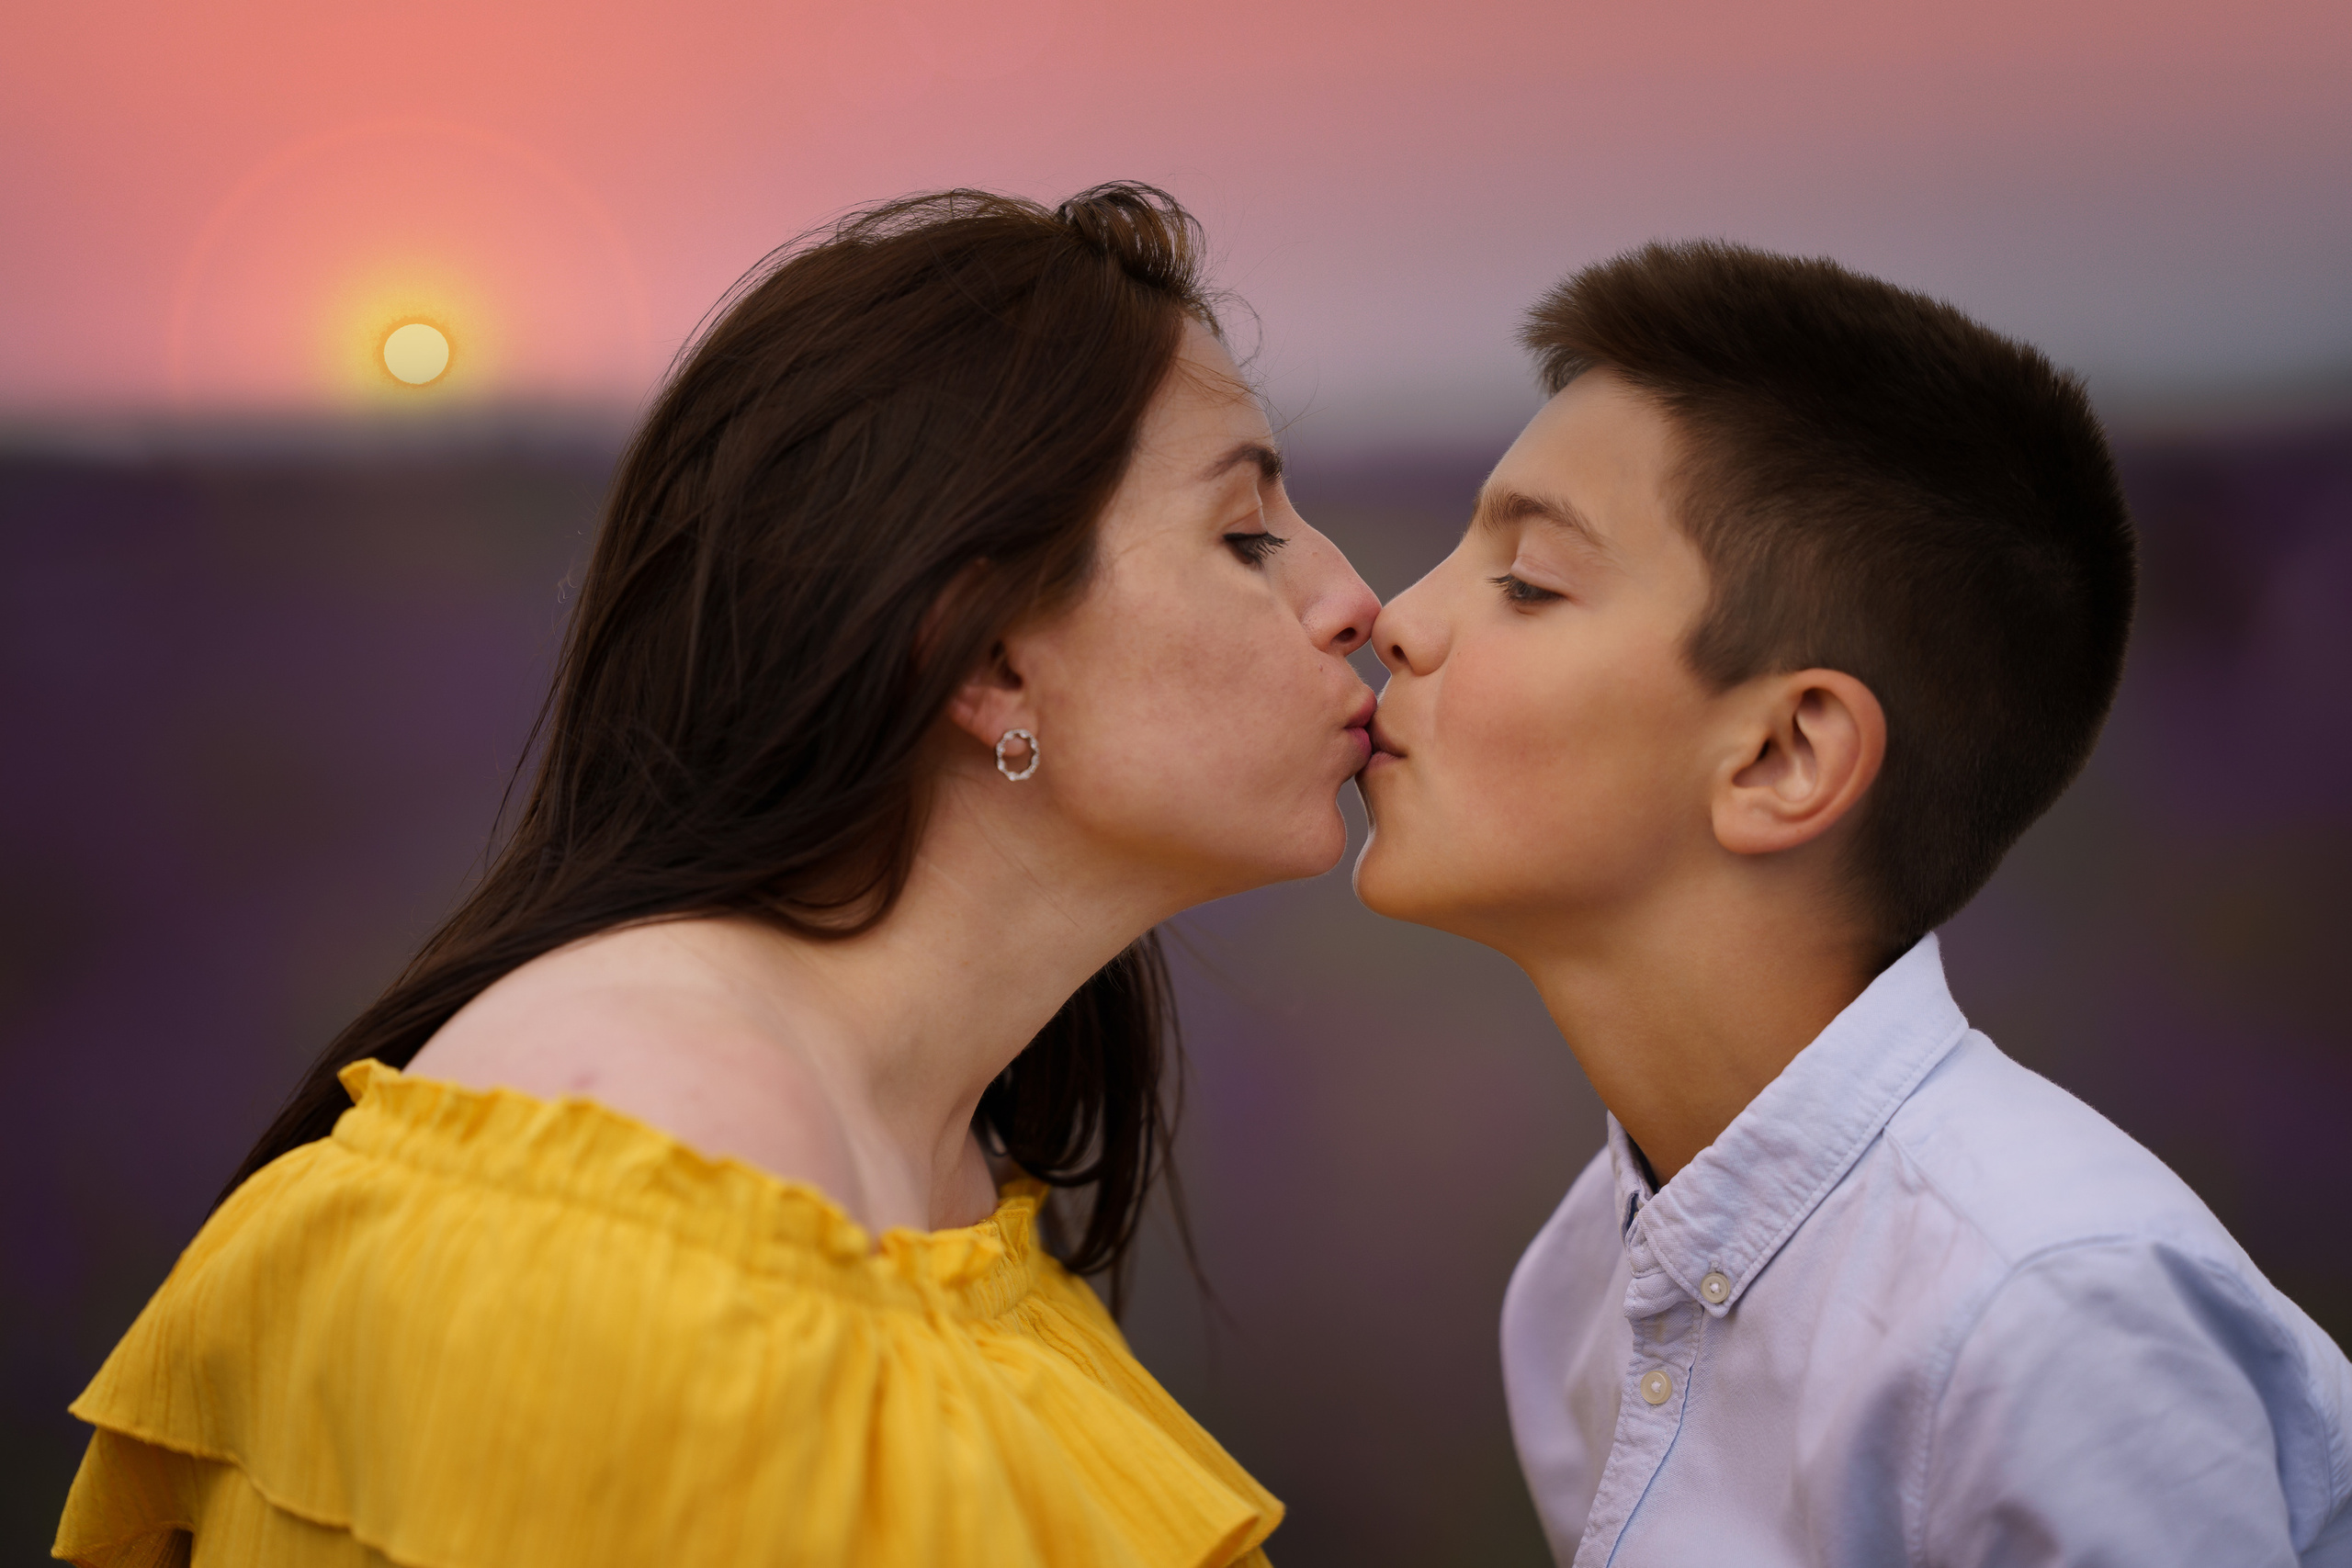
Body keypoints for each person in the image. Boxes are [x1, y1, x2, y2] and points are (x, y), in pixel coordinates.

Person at [55, 185, 1380, 1568]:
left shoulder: (922, 1187)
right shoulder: (653, 1155)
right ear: (985, 658)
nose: (1357, 601)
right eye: (1244, 537)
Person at [1353, 241, 2352, 1564]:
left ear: (1784, 758)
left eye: (1529, 583)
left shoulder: (2046, 1311)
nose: (1396, 619)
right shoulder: (1577, 1290)